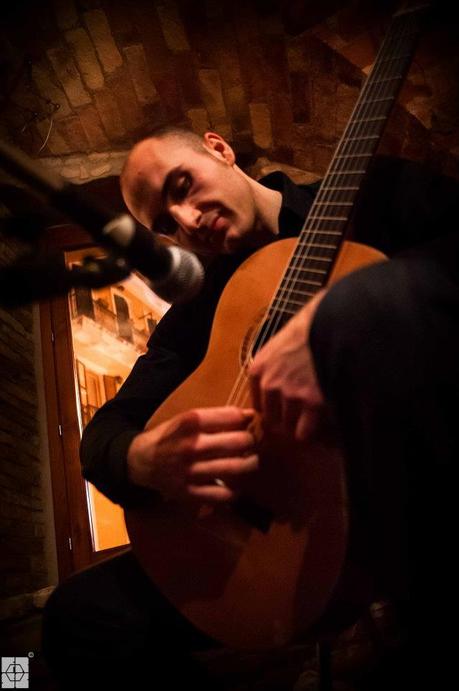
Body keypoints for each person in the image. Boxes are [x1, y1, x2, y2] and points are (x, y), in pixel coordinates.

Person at [43, 127, 459, 689]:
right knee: (76, 616)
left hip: (413, 496)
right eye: (164, 224)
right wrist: (140, 458)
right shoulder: (197, 311)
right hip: (278, 534)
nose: (186, 222)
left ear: (219, 148)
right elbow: (104, 435)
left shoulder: (370, 191)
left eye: (183, 186)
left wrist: (341, 317)